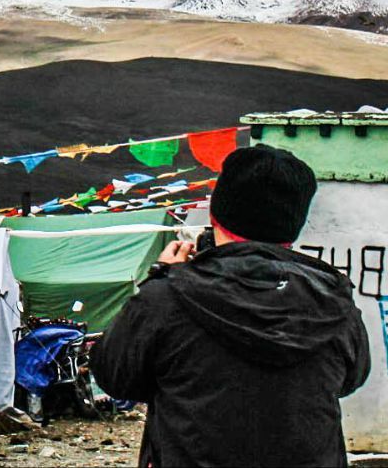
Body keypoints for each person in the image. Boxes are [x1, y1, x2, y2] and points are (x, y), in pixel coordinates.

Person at [91, 144, 370, 468]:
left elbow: (114, 375)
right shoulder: (333, 301)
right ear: (295, 223)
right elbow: (351, 379)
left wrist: (159, 278)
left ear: (214, 212)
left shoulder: (165, 299)